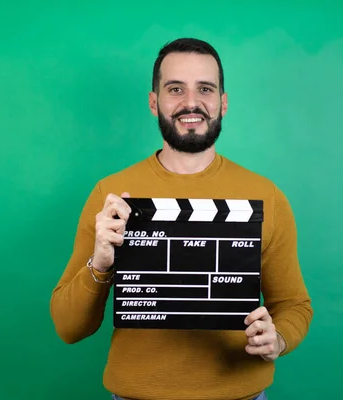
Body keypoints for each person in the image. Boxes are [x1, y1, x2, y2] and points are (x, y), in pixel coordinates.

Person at [50, 38, 313, 400]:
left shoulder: (266, 195)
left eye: (205, 88)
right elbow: (68, 327)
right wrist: (101, 263)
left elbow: (293, 304)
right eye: (175, 89)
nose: (191, 102)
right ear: (153, 102)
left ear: (223, 102)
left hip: (240, 394)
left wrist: (278, 338)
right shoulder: (111, 194)